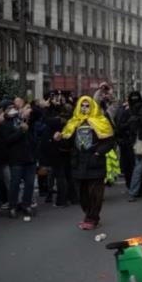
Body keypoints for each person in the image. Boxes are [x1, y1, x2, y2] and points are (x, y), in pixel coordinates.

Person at [57, 96, 115, 230]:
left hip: (95, 162)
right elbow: (68, 143)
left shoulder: (101, 121)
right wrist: (60, 138)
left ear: (92, 107)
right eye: (82, 105)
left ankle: (92, 218)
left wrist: (97, 153)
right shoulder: (73, 122)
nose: (84, 108)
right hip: (78, 163)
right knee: (81, 194)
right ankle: (88, 215)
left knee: (95, 193)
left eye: (87, 106)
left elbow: (109, 141)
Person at [0, 102, 37, 219]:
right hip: (16, 159)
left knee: (30, 184)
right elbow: (8, 140)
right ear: (4, 111)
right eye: (9, 108)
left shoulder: (24, 120)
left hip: (30, 158)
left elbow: (37, 115)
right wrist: (21, 131)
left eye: (13, 108)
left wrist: (27, 114)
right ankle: (12, 207)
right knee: (15, 184)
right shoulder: (5, 124)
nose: (12, 110)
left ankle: (26, 205)